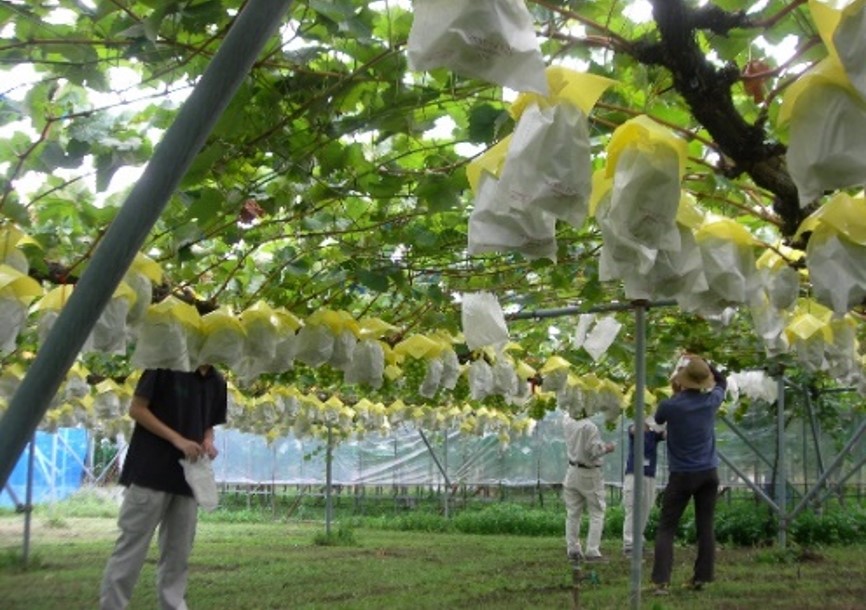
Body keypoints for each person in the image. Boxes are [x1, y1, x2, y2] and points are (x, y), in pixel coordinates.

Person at [100, 365, 228, 610]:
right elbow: (137, 409)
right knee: (131, 549)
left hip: (188, 478)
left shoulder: (217, 381)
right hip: (151, 473)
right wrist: (176, 439)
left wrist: (208, 441)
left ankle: (173, 606)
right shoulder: (164, 365)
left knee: (178, 554)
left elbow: (208, 423)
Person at [650, 354, 726, 595]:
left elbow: (658, 420)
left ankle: (661, 582)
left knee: (667, 528)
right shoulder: (711, 401)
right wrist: (705, 363)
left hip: (682, 474)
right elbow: (722, 381)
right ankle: (702, 578)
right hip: (709, 473)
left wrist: (677, 385)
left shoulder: (671, 405)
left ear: (681, 379)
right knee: (705, 526)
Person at [562, 408, 616, 563]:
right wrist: (608, 447)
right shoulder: (589, 426)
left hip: (572, 470)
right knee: (597, 511)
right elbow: (593, 450)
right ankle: (592, 551)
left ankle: (572, 549)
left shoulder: (568, 421)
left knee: (573, 512)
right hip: (589, 473)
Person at [621, 417, 666, 557]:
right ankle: (629, 544)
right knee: (633, 508)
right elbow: (635, 430)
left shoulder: (654, 434)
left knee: (646, 507)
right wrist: (645, 420)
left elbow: (666, 434)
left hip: (649, 475)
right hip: (634, 474)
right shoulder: (633, 429)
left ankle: (638, 542)